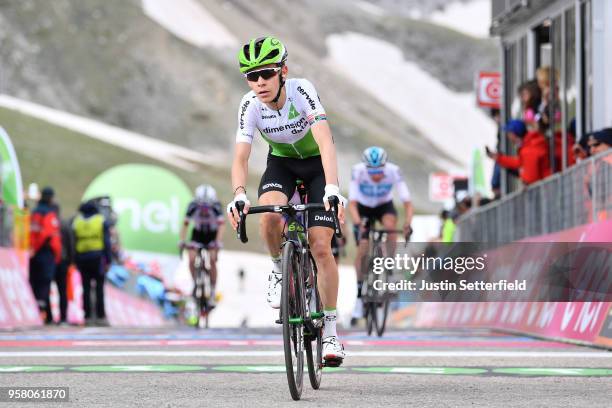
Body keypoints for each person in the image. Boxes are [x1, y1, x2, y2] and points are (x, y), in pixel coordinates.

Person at [226, 36, 347, 364]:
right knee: (269, 217)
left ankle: (332, 335)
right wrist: (238, 196)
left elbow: (324, 140)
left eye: (266, 73)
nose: (260, 82)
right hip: (282, 165)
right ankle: (280, 268)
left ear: (283, 71)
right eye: (252, 76)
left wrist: (332, 188)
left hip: (317, 167)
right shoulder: (249, 105)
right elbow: (241, 158)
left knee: (320, 245)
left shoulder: (301, 90)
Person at [348, 146, 413, 324]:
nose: (376, 176)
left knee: (391, 227)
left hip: (384, 206)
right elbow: (352, 204)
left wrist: (407, 223)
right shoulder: (358, 171)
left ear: (385, 166)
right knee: (362, 248)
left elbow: (407, 202)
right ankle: (360, 295)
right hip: (363, 207)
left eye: (379, 171)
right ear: (365, 167)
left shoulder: (394, 171)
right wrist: (358, 223)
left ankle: (389, 268)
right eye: (372, 171)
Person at [179, 184, 224, 307]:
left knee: (213, 260)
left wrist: (218, 242)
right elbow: (185, 224)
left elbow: (221, 226)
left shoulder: (216, 206)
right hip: (197, 234)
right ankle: (195, 283)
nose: (204, 209)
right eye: (201, 205)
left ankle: (213, 288)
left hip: (212, 235)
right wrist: (182, 240)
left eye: (207, 206)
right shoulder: (192, 205)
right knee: (192, 259)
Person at [72, 200, 112, 326]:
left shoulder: (77, 222)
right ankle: (101, 316)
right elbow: (107, 242)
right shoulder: (100, 220)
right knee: (99, 288)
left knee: (86, 288)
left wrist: (75, 260)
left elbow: (73, 243)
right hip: (97, 257)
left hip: (82, 258)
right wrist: (108, 260)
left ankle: (87, 316)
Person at [29, 187, 62, 324]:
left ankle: (45, 315)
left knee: (36, 283)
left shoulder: (35, 212)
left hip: (34, 253)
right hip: (45, 253)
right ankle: (42, 314)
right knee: (44, 284)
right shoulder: (49, 214)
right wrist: (57, 255)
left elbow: (33, 232)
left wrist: (32, 249)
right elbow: (48, 235)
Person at [486, 119, 551, 186]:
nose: (508, 137)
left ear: (514, 134)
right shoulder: (529, 143)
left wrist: (521, 176)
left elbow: (530, 179)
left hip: (547, 189)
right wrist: (499, 158)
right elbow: (519, 162)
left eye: (509, 133)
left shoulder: (528, 149)